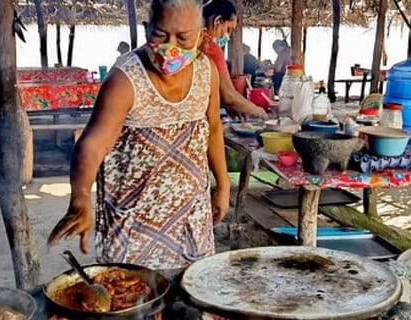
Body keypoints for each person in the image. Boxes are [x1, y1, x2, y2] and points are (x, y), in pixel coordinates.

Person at [49, 0, 229, 275]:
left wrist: (223, 185)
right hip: (134, 226)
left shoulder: (207, 71)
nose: (171, 47)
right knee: (132, 296)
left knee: (189, 300)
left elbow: (213, 128)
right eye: (160, 35)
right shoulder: (125, 79)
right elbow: (92, 146)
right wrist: (81, 198)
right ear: (147, 30)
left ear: (202, 34)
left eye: (183, 38)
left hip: (191, 219)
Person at [201, 0, 268, 120]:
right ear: (218, 21)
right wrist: (258, 111)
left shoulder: (192, 43)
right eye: (228, 29)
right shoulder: (210, 47)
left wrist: (230, 105)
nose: (228, 35)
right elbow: (229, 96)